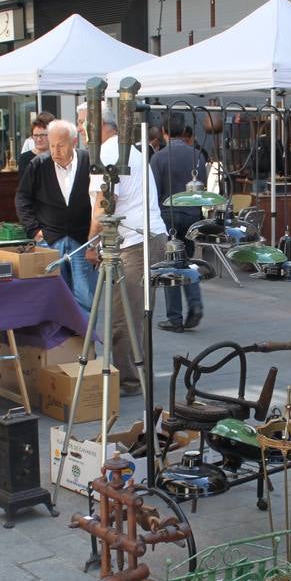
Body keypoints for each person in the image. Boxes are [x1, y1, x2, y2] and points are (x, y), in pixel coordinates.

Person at [90, 107, 168, 396]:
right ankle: (134, 374)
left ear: (97, 127)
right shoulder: (124, 151)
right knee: (134, 314)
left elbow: (103, 206)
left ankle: (129, 381)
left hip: (135, 242)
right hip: (141, 238)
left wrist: (91, 243)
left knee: (124, 318)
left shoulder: (110, 154)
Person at [16, 118, 96, 313]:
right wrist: (34, 229)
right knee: (54, 295)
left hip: (81, 239)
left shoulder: (88, 161)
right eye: (52, 145)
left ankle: (84, 339)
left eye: (60, 146)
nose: (55, 151)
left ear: (74, 142)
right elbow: (22, 197)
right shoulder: (39, 164)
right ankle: (62, 341)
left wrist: (94, 239)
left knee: (84, 295)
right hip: (51, 239)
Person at [151, 117, 207, 333]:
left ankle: (174, 317)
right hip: (193, 214)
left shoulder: (159, 158)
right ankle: (195, 303)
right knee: (188, 261)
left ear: (164, 132)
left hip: (168, 216)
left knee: (171, 265)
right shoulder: (198, 155)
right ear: (184, 131)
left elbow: (154, 190)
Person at [18, 112, 54, 176]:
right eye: (35, 135)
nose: (39, 139)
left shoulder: (57, 156)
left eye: (43, 135)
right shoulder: (24, 158)